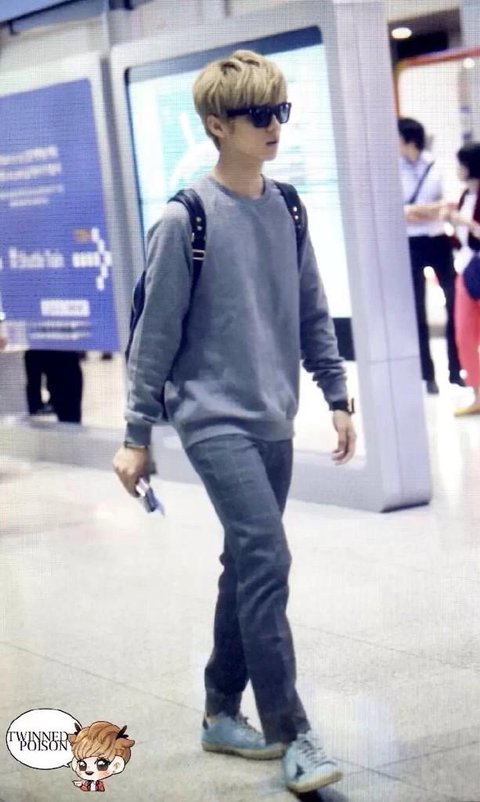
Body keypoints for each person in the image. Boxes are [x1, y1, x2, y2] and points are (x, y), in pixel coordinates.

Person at [113, 49, 355, 795]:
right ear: (217, 125)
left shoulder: (288, 206)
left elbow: (312, 307)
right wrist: (135, 434)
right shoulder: (183, 219)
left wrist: (336, 393)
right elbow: (154, 337)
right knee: (267, 556)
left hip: (273, 413)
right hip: (211, 418)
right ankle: (292, 732)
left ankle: (221, 708)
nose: (274, 125)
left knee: (246, 562)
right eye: (258, 114)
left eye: (280, 110)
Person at [398, 117, 463, 394]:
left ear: (408, 138)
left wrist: (417, 211)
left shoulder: (435, 165)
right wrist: (427, 210)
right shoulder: (393, 167)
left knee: (453, 303)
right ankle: (428, 375)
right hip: (411, 243)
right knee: (417, 309)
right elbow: (398, 210)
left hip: (438, 240)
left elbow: (447, 205)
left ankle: (455, 370)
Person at [443, 142, 480, 416]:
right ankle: (478, 394)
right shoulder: (467, 194)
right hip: (467, 268)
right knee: (464, 335)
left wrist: (465, 223)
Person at [23, 349, 83, 422]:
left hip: (45, 350)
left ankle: (36, 406)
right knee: (69, 406)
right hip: (61, 353)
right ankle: (38, 405)